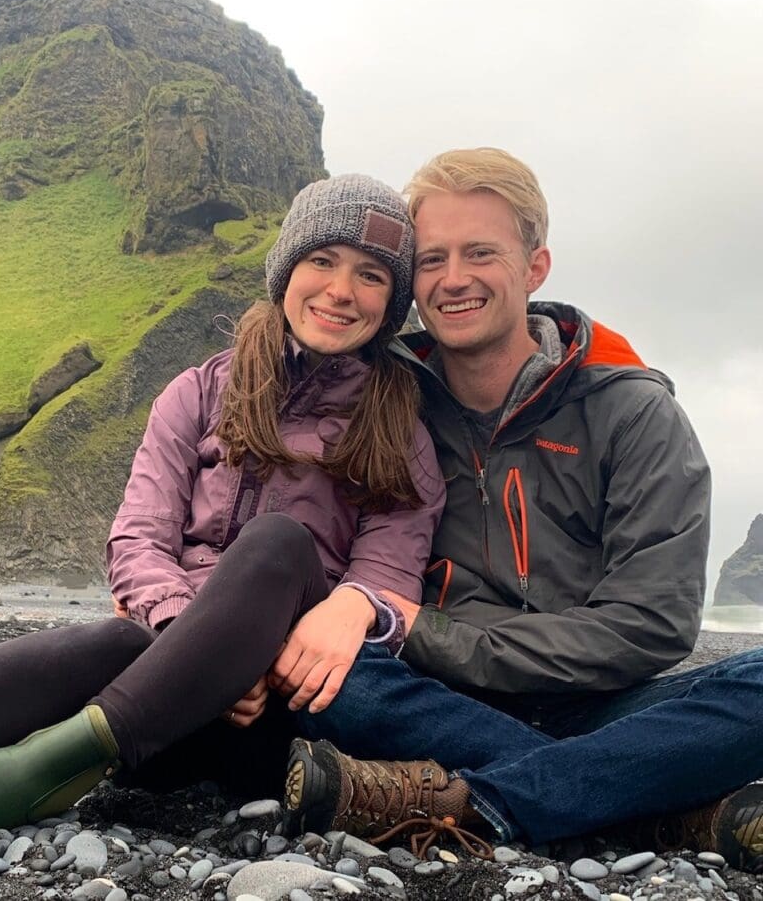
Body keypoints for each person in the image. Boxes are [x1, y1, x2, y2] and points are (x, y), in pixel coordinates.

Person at [0, 174, 445, 867]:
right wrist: (193, 644)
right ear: (286, 267)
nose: (340, 290)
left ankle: (36, 769)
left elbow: (385, 578)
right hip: (156, 698)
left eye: (372, 275)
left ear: (392, 302)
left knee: (278, 544)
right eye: (321, 261)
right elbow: (137, 538)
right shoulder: (199, 391)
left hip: (270, 723)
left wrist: (259, 655)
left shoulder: (400, 431)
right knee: (112, 639)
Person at [282, 148, 763, 871]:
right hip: (426, 698)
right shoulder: (380, 400)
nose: (453, 280)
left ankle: (470, 803)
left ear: (535, 266)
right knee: (329, 677)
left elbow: (653, 626)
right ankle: (656, 805)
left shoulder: (632, 411)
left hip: (600, 704)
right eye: (434, 259)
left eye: (481, 253)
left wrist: (428, 631)